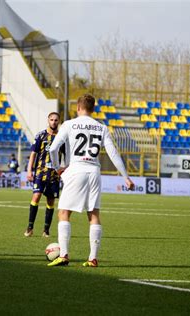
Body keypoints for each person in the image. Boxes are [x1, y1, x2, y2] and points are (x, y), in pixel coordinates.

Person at [47, 94, 134, 267]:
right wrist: (126, 177)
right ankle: (92, 258)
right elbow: (113, 153)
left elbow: (53, 148)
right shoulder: (101, 127)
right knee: (93, 214)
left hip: (76, 169)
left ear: (78, 108)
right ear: (93, 109)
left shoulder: (69, 124)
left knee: (64, 213)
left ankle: (63, 255)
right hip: (94, 171)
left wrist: (58, 168)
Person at [24, 112, 65, 238]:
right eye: (51, 120)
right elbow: (33, 154)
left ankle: (46, 230)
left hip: (54, 174)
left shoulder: (62, 137)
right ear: (48, 120)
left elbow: (66, 155)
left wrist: (65, 169)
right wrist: (29, 170)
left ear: (59, 121)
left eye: (56, 120)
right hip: (40, 172)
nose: (53, 122)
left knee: (50, 200)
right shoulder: (41, 135)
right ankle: (30, 228)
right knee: (36, 196)